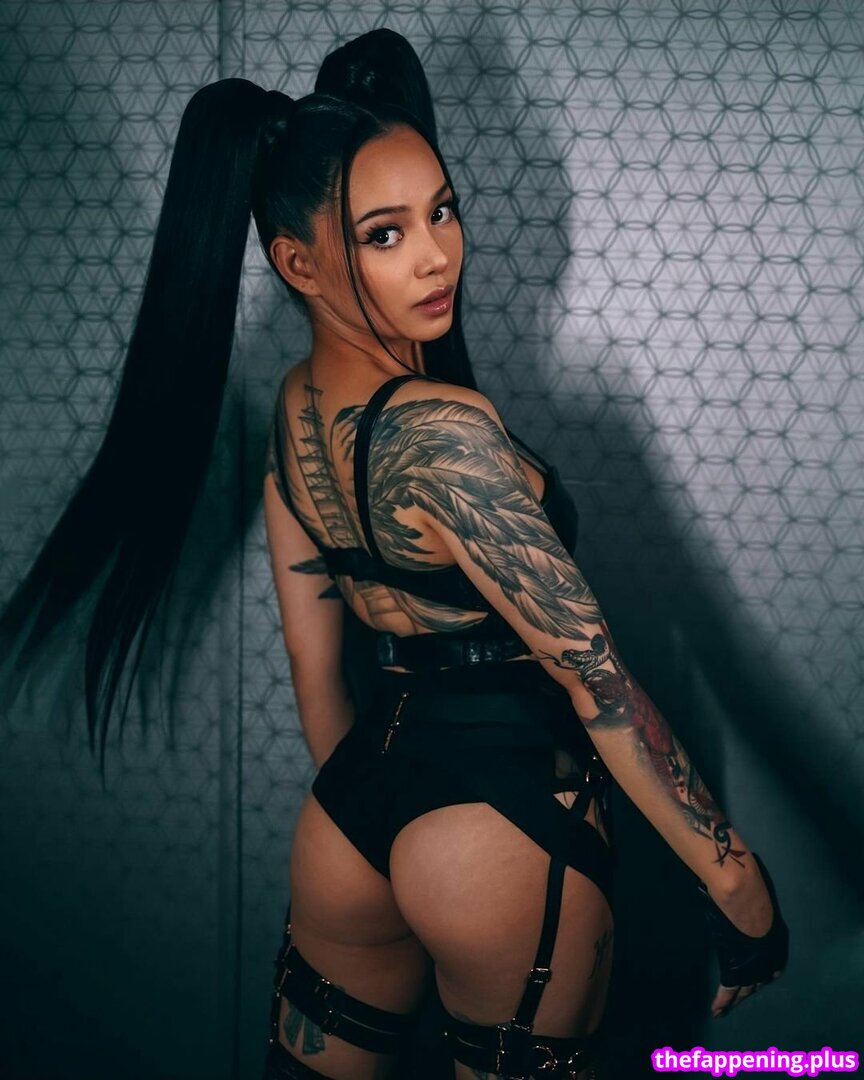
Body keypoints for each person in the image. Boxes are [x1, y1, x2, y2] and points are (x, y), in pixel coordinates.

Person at [0, 28, 788, 1080]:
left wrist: (384, 822)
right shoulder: (443, 432)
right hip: (502, 827)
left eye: (442, 211)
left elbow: (316, 670)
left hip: (351, 820)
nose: (436, 255)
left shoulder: (293, 412)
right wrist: (735, 882)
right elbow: (592, 677)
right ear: (297, 262)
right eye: (385, 233)